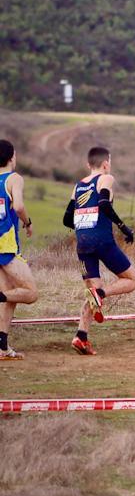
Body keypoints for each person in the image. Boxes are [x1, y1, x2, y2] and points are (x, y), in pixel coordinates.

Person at [62, 146, 135, 355]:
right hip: (102, 240)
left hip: (83, 244)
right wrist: (124, 228)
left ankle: (81, 337)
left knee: (91, 294)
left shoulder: (78, 186)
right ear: (106, 163)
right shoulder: (106, 178)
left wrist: (83, 222)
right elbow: (104, 203)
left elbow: (67, 219)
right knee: (131, 280)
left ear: (88, 164)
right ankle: (102, 293)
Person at [0, 140, 37, 360]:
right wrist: (28, 222)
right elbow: (19, 206)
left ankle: (2, 347)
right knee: (30, 293)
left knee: (8, 296)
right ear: (12, 157)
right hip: (5, 246)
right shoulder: (14, 178)